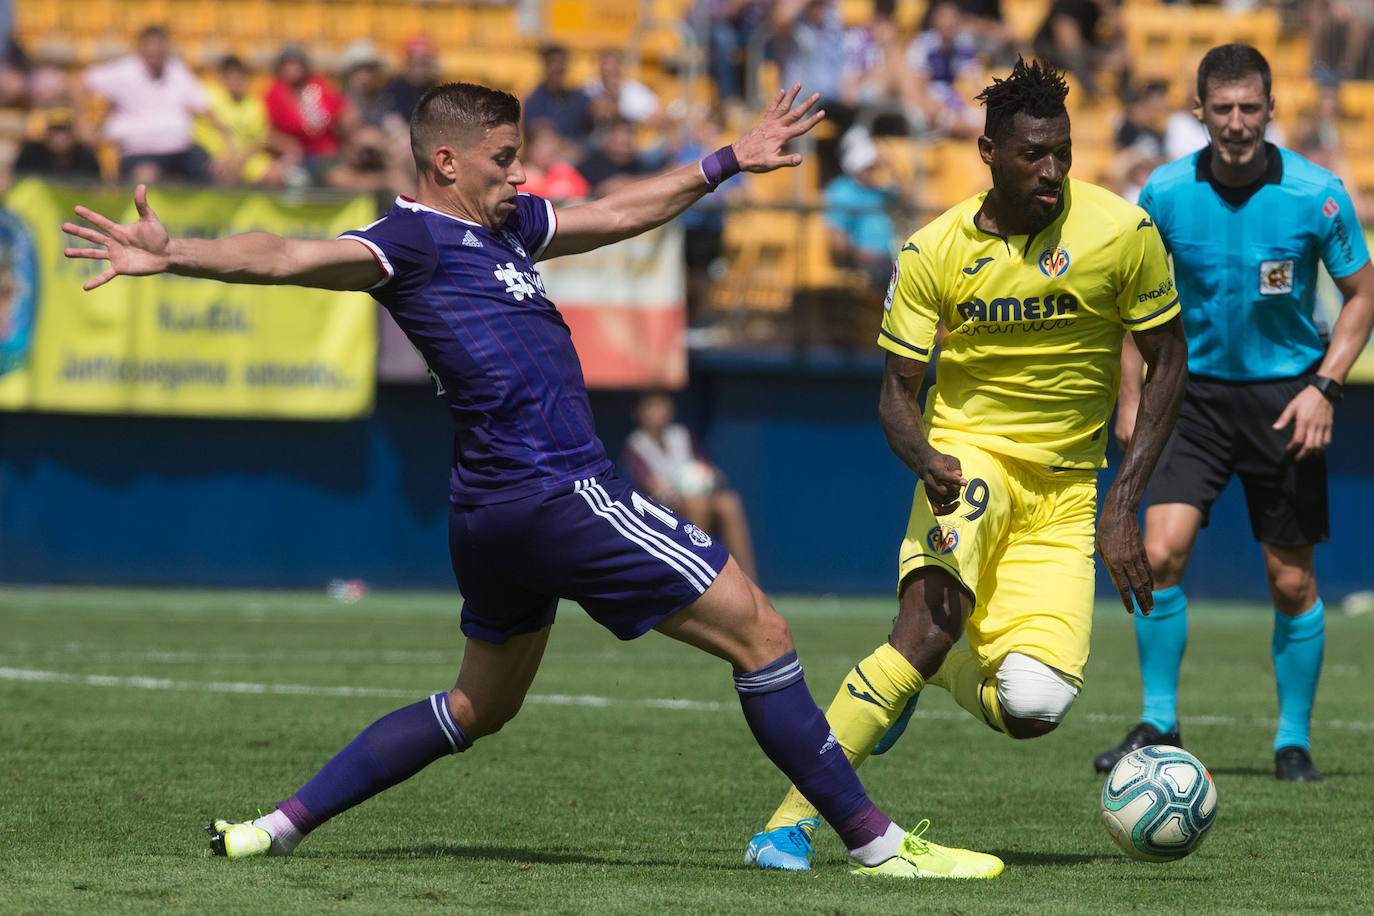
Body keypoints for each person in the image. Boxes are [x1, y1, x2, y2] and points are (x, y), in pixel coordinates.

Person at [62, 81, 1000, 879]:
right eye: (505, 159)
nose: (520, 175)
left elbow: (617, 213)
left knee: (481, 704)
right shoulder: (417, 239)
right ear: (446, 164)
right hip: (559, 490)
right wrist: (173, 251)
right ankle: (878, 847)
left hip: (492, 511)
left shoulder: (508, 231)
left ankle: (273, 829)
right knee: (764, 634)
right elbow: (287, 255)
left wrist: (725, 161)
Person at [744, 57, 1187, 871]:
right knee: (920, 630)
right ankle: (785, 825)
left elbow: (1170, 362)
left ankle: (933, 678)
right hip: (971, 462)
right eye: (1032, 154)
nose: (1051, 170)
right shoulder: (932, 251)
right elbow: (895, 395)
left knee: (1036, 706)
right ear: (987, 150)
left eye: (1062, 151)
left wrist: (1124, 503)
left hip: (1067, 489)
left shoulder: (1123, 234)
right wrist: (926, 456)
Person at [1092, 44, 1374, 784]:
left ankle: (1292, 742)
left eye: (1251, 108)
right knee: (1157, 554)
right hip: (1191, 397)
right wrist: (1131, 399)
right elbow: (1130, 305)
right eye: (1224, 109)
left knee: (1290, 583)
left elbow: (1364, 295)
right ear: (1200, 112)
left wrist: (1327, 387)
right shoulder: (1164, 193)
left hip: (1287, 399)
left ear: (1272, 110)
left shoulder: (1317, 196)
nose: (1238, 122)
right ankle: (1158, 723)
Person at [622, 391, 758, 581]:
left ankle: (748, 580)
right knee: (697, 503)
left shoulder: (682, 435)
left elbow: (708, 470)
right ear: (639, 413)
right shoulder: (636, 444)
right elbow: (647, 483)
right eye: (651, 407)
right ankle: (700, 577)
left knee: (729, 502)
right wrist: (664, 485)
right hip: (662, 508)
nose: (658, 412)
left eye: (663, 406)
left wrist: (708, 474)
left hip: (697, 496)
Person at [80, 25, 223, 183]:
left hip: (181, 150)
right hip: (140, 152)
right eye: (150, 45)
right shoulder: (123, 71)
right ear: (140, 47)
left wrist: (228, 141)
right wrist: (83, 124)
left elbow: (203, 107)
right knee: (146, 178)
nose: (155, 50)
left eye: (159, 44)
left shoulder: (178, 71)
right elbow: (79, 82)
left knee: (221, 170)